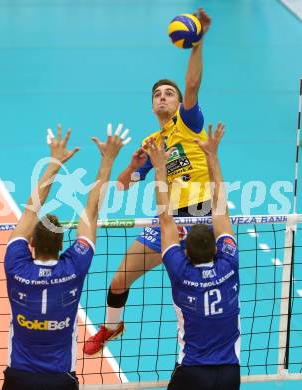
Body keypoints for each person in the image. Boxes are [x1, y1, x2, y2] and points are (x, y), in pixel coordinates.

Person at [83, 8, 213, 355]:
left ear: (179, 102)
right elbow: (124, 184)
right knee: (119, 279)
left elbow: (192, 83)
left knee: (191, 293)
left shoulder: (189, 122)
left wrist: (196, 44)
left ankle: (199, 351)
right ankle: (111, 327)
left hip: (199, 216)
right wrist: (130, 165)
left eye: (169, 93)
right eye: (158, 95)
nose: (163, 97)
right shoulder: (151, 142)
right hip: (168, 218)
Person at [2, 124, 130, 390]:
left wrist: (55, 162)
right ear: (63, 244)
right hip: (60, 380)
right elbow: (91, 212)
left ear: (31, 243)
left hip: (19, 379)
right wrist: (108, 160)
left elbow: (29, 211)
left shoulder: (15, 264)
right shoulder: (74, 266)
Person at [147, 123, 240, 390]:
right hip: (229, 375)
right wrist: (212, 155)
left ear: (185, 251)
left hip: (193, 373)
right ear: (217, 247)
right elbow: (219, 208)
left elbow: (166, 219)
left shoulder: (180, 271)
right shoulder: (229, 264)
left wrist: (160, 168)